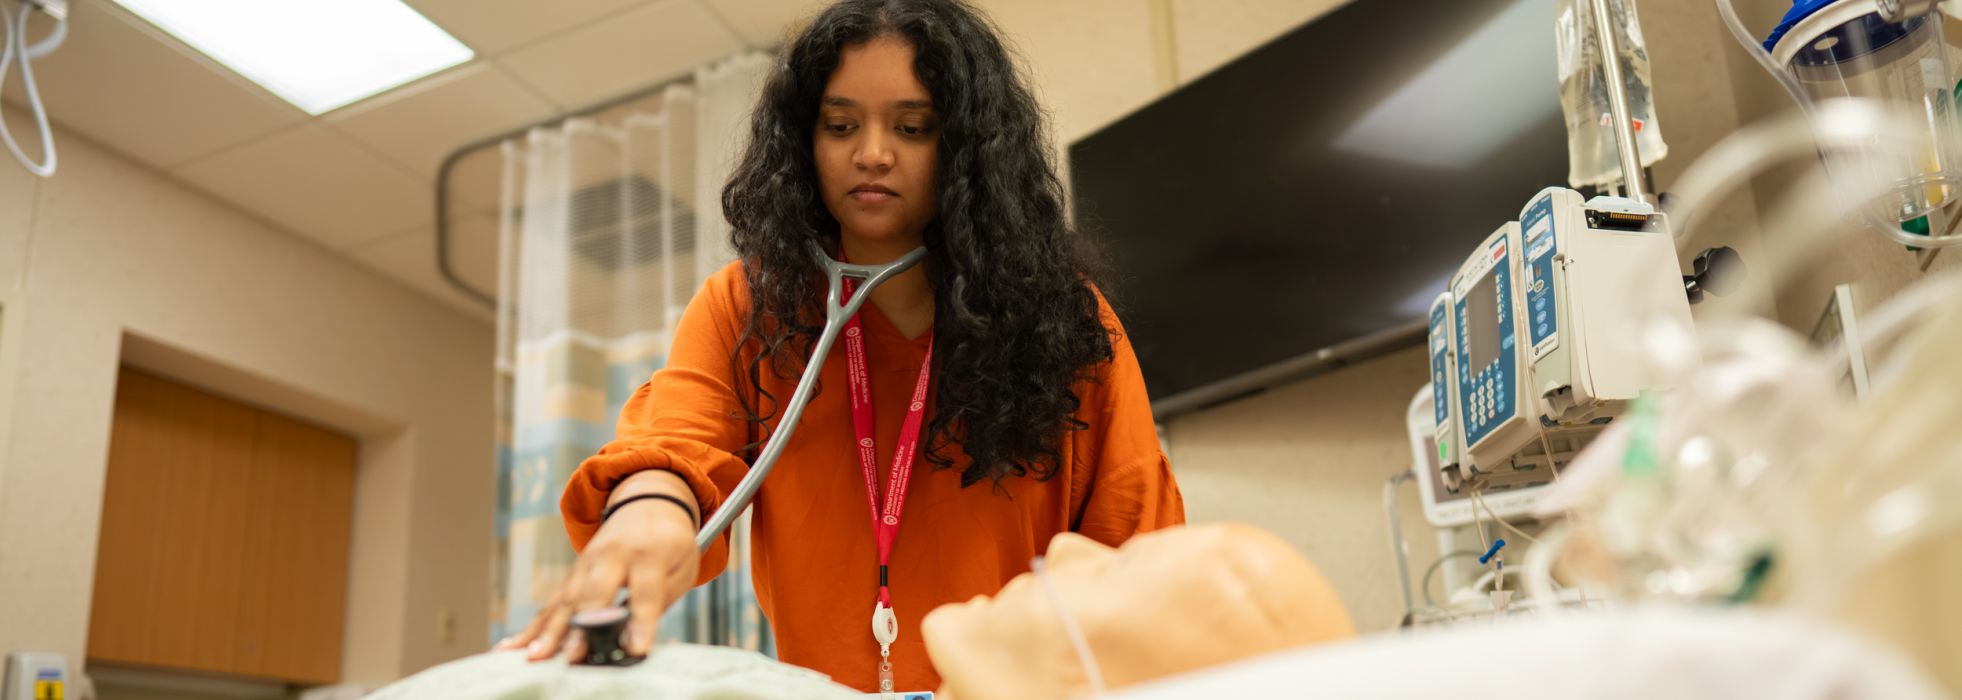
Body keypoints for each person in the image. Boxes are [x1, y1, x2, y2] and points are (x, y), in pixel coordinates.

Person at [497, 0, 1185, 692]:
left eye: (913, 127)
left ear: (969, 148)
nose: (873, 153)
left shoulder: (1064, 319)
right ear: (805, 142)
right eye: (841, 125)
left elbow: (1137, 544)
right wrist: (647, 511)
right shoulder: (747, 306)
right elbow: (678, 438)